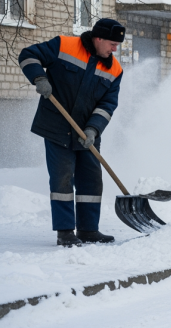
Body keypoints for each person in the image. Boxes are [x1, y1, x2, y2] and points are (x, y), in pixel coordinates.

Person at [18, 19, 125, 247]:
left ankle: (88, 229)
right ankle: (65, 231)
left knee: (91, 180)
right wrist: (39, 77)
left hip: (87, 133)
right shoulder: (64, 45)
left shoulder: (114, 70)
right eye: (112, 44)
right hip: (57, 127)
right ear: (98, 38)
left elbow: (107, 105)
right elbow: (28, 55)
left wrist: (93, 129)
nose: (115, 49)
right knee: (62, 178)